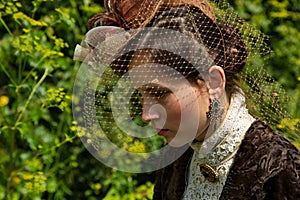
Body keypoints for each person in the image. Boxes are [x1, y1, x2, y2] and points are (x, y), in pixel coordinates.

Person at [76, 0, 300, 199]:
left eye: (160, 93)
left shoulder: (281, 170)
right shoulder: (177, 160)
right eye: (140, 95)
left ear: (213, 82)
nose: (145, 115)